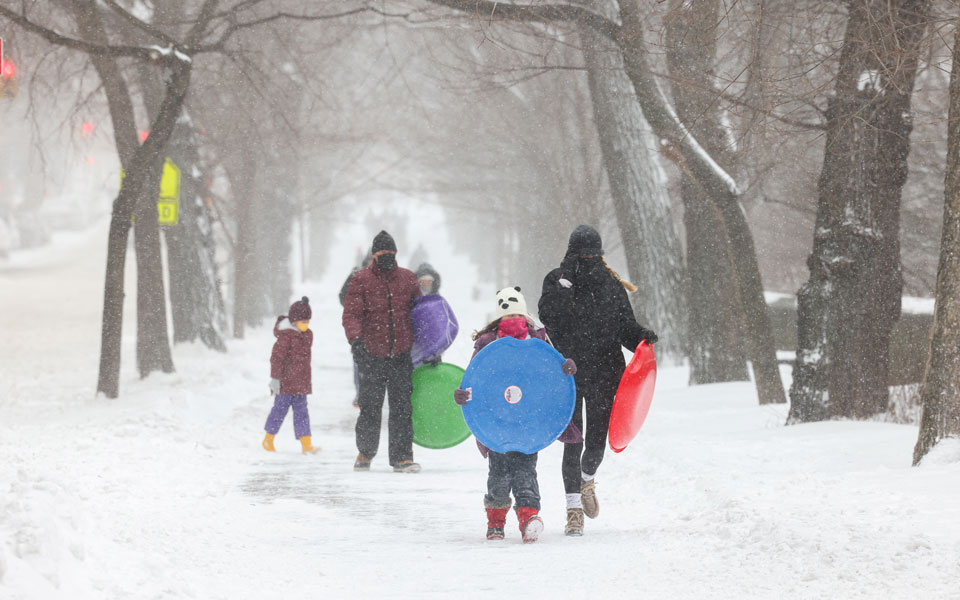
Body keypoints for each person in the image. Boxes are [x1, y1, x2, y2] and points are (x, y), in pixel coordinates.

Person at [538, 225, 658, 536]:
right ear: (571, 253)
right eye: (582, 253)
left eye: (593, 253)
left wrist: (641, 337)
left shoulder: (611, 284)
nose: (587, 259)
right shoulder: (556, 281)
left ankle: (587, 478)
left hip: (607, 372)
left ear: (600, 254)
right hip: (568, 375)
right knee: (571, 443)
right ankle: (573, 510)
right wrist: (565, 285)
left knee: (596, 445)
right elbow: (550, 319)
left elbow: (625, 327)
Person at [454, 287, 578, 543]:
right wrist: (463, 394)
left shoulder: (538, 342)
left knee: (518, 471)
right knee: (508, 471)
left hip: (525, 418)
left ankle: (525, 519)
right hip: (501, 418)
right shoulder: (488, 343)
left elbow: (548, 378)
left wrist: (564, 370)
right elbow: (475, 379)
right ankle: (499, 522)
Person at [342, 230, 423, 473]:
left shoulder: (408, 279)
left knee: (401, 408)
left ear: (396, 254)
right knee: (369, 407)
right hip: (371, 355)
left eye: (391, 253)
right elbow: (352, 314)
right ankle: (365, 452)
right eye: (382, 253)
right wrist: (356, 341)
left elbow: (421, 314)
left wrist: (429, 347)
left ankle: (402, 457)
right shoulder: (360, 280)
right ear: (374, 255)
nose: (387, 257)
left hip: (401, 355)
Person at [262, 296, 320, 455]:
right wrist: (275, 378)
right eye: (303, 321)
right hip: (285, 384)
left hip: (301, 384)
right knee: (279, 411)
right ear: (294, 321)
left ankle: (306, 444)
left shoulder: (306, 335)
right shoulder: (285, 337)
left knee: (302, 413)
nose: (306, 324)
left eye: (308, 321)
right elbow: (276, 358)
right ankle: (268, 439)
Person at [340, 250, 374, 407]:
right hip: (361, 329)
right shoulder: (357, 276)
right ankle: (360, 393)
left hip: (378, 330)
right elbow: (343, 296)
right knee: (358, 361)